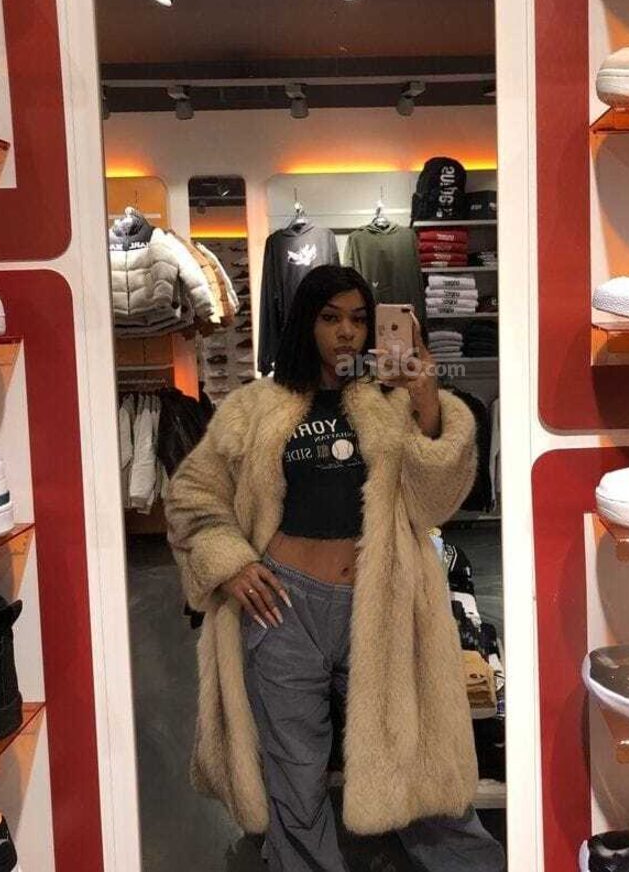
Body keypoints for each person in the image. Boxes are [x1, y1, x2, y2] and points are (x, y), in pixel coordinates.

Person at [165, 265, 506, 872]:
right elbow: (192, 494)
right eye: (330, 318)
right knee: (294, 775)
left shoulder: (391, 404)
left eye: (358, 319)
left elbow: (436, 502)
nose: (346, 332)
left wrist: (427, 400)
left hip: (377, 603)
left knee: (415, 759)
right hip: (282, 607)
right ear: (305, 323)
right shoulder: (255, 407)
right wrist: (231, 563)